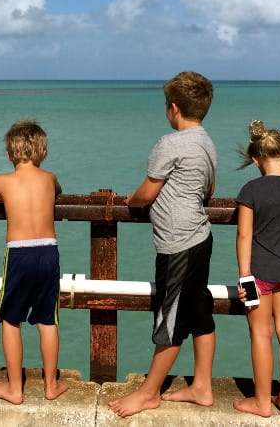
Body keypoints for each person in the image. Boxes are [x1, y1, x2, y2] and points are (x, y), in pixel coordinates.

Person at [109, 71, 218, 418]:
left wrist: (131, 201)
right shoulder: (207, 142)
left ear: (173, 108)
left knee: (170, 319)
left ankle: (149, 392)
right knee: (199, 310)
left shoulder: (169, 144)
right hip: (201, 237)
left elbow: (146, 193)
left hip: (178, 244)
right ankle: (202, 385)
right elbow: (209, 190)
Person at [0, 119, 69, 405]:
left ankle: (15, 388)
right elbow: (58, 189)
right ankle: (51, 385)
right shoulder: (49, 178)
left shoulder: (2, 181)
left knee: (11, 319)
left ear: (9, 155)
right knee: (48, 320)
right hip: (48, 251)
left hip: (19, 253)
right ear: (43, 152)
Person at [233, 120, 280, 418]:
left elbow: (244, 235)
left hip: (258, 275)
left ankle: (262, 401)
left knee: (261, 335)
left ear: (255, 160)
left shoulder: (251, 190)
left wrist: (244, 276)